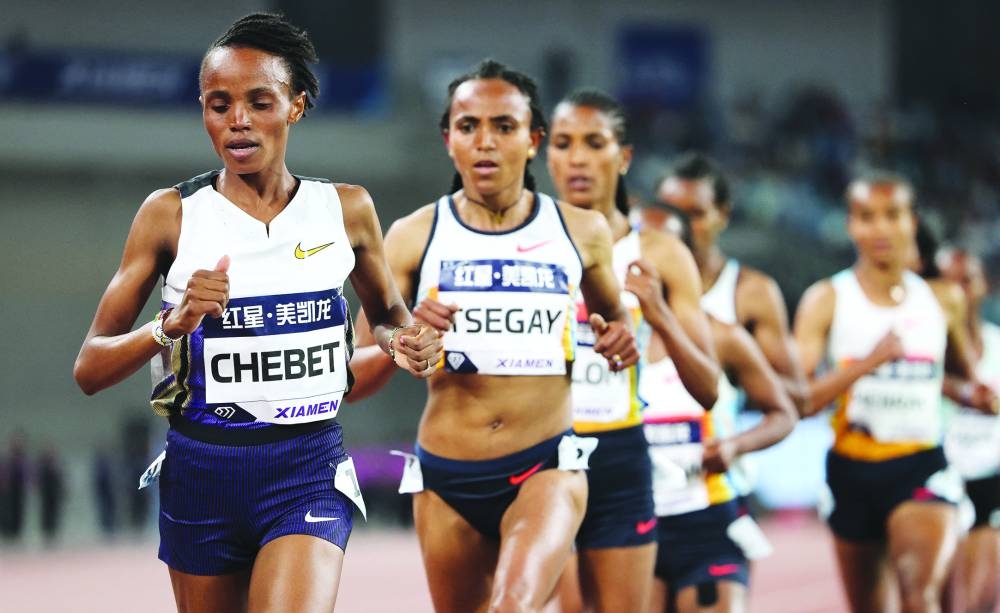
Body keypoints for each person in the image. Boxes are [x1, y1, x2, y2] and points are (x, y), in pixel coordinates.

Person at [72, 13, 441, 613]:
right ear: (202, 110)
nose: (237, 120)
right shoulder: (169, 216)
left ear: (295, 106)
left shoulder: (345, 211)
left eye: (258, 102)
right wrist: (166, 327)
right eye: (219, 105)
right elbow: (90, 369)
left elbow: (392, 316)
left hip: (307, 465)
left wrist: (408, 341)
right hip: (201, 470)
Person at [348, 60, 639, 612]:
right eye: (468, 126)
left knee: (513, 606)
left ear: (532, 141)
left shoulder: (581, 232)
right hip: (445, 478)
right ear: (448, 140)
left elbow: (615, 322)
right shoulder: (412, 237)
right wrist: (403, 342)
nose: (485, 142)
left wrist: (619, 339)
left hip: (546, 465)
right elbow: (355, 378)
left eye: (503, 127)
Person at [544, 89, 719, 612]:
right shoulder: (517, 239)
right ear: (544, 152)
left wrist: (657, 311)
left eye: (594, 143)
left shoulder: (662, 253)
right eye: (563, 143)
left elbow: (708, 389)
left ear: (623, 157)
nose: (577, 158)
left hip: (619, 457)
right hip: (542, 456)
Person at [793, 173, 998, 613]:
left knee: (919, 597)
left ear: (912, 221)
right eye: (867, 217)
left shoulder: (942, 300)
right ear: (850, 225)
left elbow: (960, 373)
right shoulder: (827, 299)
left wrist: (972, 395)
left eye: (893, 216)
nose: (880, 229)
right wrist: (869, 362)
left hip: (920, 466)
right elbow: (798, 399)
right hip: (852, 468)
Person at [638, 203, 797, 613]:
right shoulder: (608, 335)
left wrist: (735, 447)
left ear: (683, 259)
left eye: (659, 247)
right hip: (633, 525)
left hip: (707, 522)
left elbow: (784, 413)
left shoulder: (721, 337)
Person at [650, 153, 810, 415]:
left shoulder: (751, 292)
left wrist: (741, 369)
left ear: (723, 215)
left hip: (715, 450)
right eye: (672, 212)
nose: (682, 227)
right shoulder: (633, 285)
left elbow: (799, 400)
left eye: (696, 214)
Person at [938, 247, 1000, 613]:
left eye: (967, 280)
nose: (957, 290)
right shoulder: (923, 350)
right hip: (938, 482)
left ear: (984, 287)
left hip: (991, 481)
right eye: (948, 282)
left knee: (979, 606)